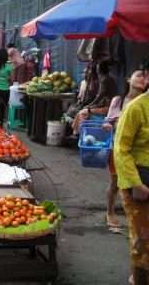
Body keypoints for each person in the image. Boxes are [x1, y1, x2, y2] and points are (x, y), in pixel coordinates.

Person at [114, 67, 149, 285]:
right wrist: (136, 184)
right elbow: (120, 149)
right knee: (143, 240)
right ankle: (139, 279)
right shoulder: (136, 107)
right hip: (140, 183)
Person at [102, 69, 147, 229]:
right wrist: (109, 125)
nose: (142, 79)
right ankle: (110, 212)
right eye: (138, 75)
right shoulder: (119, 101)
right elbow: (108, 121)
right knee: (115, 184)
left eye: (144, 76)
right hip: (118, 149)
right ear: (128, 79)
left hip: (139, 157)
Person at [71, 61, 118, 136]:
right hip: (109, 106)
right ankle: (77, 133)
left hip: (108, 108)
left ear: (100, 69)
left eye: (97, 67)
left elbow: (100, 96)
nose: (96, 68)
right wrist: (92, 105)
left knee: (82, 112)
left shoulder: (105, 80)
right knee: (85, 109)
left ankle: (76, 134)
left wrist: (90, 105)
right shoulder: (108, 79)